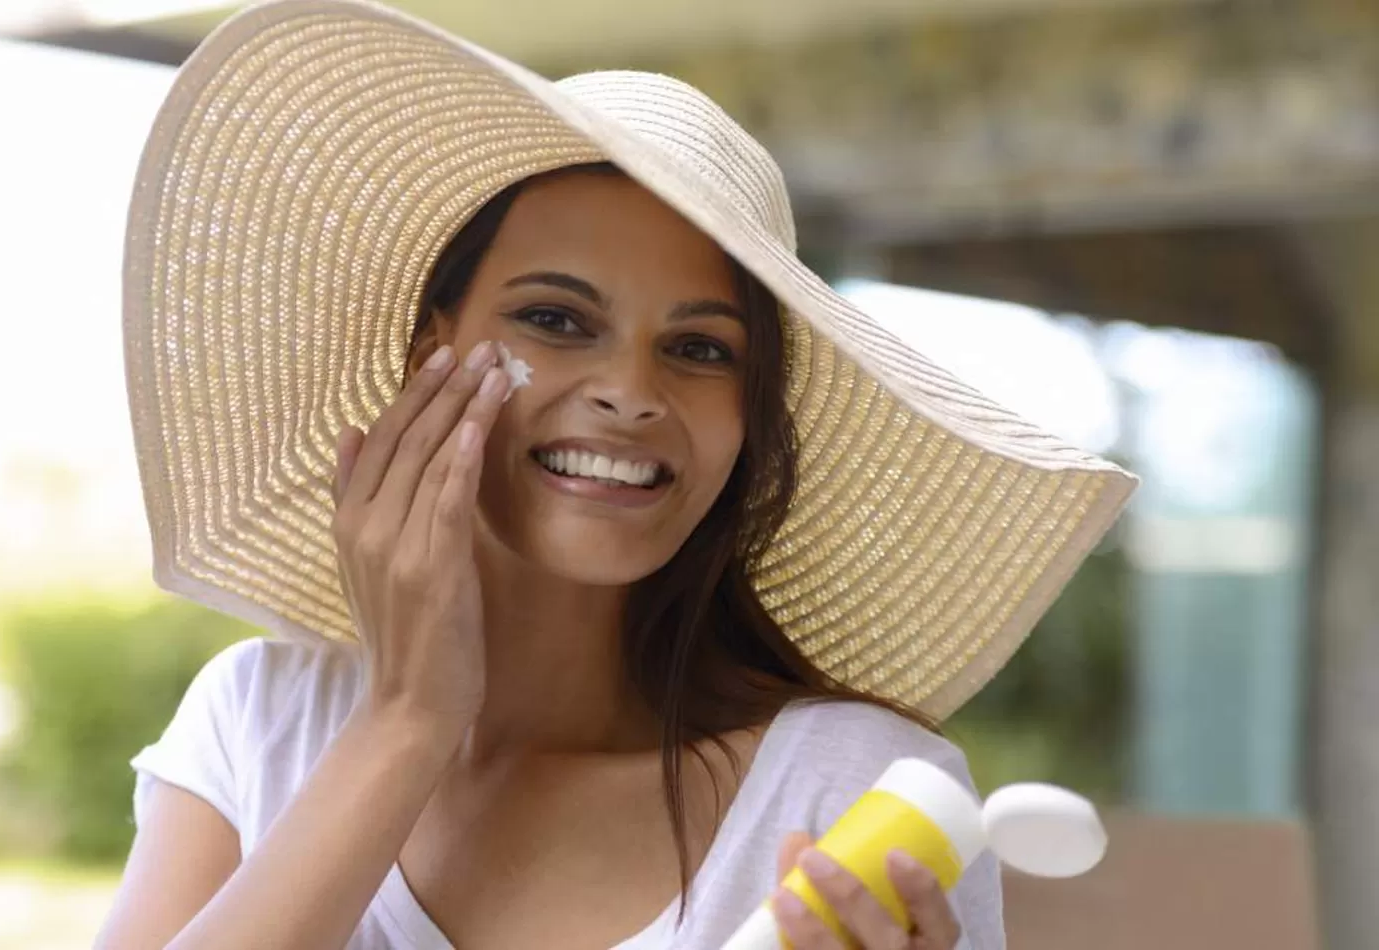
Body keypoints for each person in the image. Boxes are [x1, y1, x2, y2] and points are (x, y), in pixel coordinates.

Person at [98, 3, 1136, 949]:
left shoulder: (852, 791)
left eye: (700, 349)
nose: (632, 392)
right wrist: (408, 717)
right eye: (554, 319)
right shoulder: (258, 719)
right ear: (429, 358)